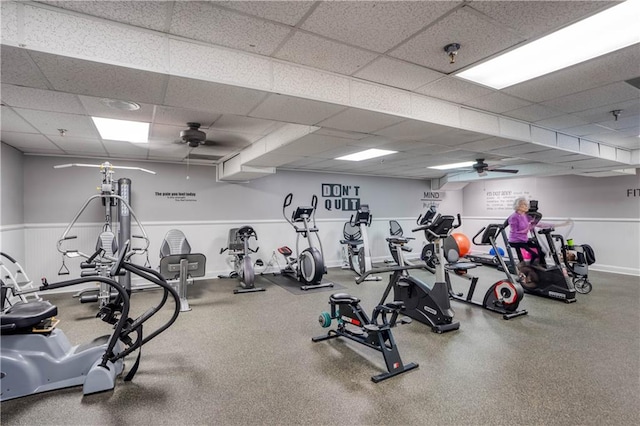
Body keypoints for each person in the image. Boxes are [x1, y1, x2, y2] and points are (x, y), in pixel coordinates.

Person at [507, 197, 544, 264]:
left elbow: (532, 222)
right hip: (515, 240)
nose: (526, 206)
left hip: (522, 239)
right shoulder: (513, 217)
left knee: (538, 247)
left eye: (526, 205)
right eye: (524, 205)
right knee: (532, 253)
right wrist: (524, 231)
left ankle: (540, 263)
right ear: (518, 206)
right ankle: (525, 265)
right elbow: (514, 232)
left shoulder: (524, 215)